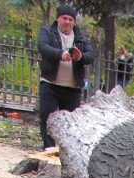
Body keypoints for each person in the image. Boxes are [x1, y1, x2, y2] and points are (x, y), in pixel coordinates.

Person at [37, 5, 95, 150]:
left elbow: (91, 56)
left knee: (70, 124)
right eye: (64, 18)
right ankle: (49, 150)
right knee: (47, 118)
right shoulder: (47, 32)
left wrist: (80, 56)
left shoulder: (80, 38)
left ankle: (67, 153)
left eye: (70, 19)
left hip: (72, 88)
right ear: (58, 19)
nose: (67, 22)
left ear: (74, 21)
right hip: (50, 84)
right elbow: (42, 47)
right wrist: (60, 54)